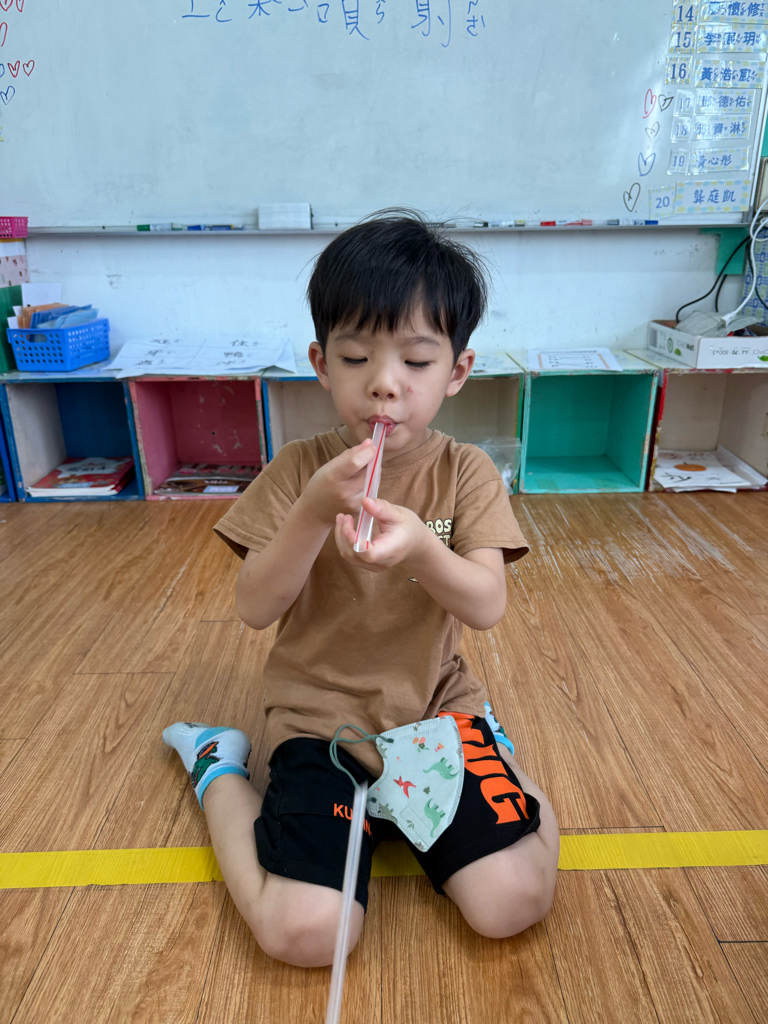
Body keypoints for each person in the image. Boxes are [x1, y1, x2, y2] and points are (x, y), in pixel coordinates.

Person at [163, 210, 559, 968]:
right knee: (306, 934)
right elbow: (254, 608)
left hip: (432, 711)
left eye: (416, 361)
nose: (384, 383)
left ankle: (489, 749)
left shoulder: (465, 473)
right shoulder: (298, 470)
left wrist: (423, 552)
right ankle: (217, 766)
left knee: (511, 901)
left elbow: (486, 605)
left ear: (457, 371)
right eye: (355, 357)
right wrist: (313, 511)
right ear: (321, 362)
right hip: (318, 721)